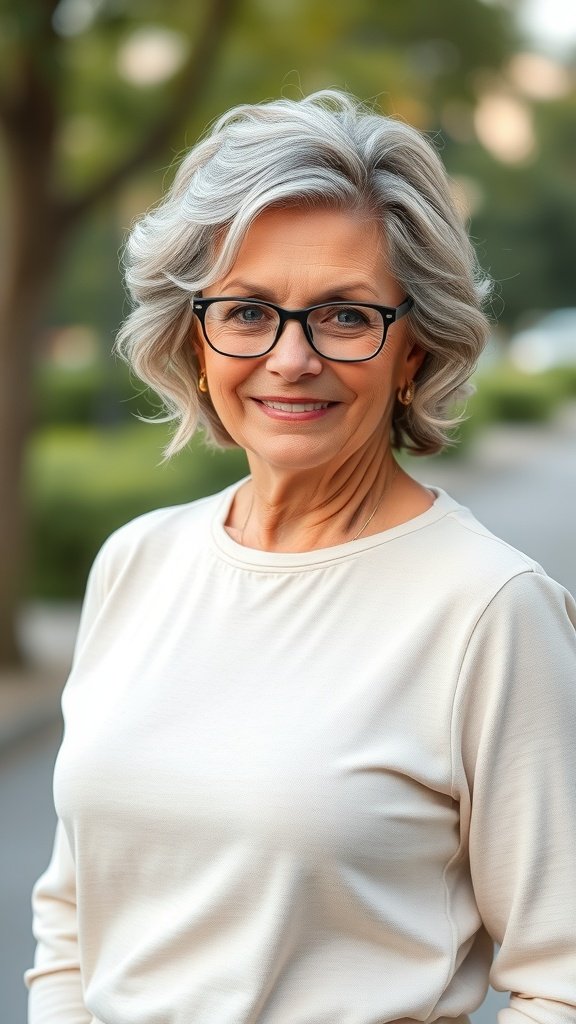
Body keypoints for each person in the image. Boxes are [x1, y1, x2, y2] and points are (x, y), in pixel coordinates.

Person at [26, 91, 576, 1024]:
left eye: (346, 316)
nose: (291, 359)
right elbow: (74, 915)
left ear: (414, 349)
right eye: (246, 310)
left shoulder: (491, 608)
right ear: (195, 341)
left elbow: (562, 980)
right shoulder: (136, 562)